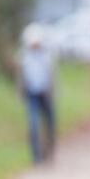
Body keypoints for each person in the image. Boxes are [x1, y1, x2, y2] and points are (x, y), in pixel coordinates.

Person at [19, 25, 56, 164]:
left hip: (45, 95)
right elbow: (21, 79)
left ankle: (49, 151)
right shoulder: (24, 57)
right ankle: (36, 156)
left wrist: (52, 94)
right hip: (32, 95)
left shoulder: (47, 57)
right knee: (33, 125)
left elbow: (52, 78)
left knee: (49, 125)